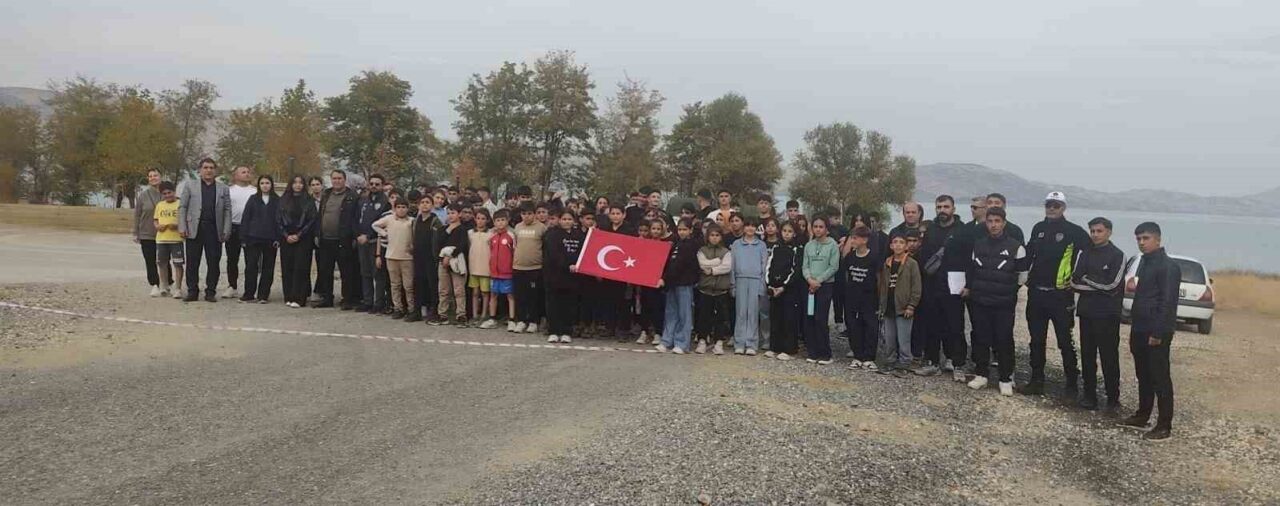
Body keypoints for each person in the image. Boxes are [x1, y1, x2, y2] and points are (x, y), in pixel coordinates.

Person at [1021, 191, 1091, 395]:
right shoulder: (1038, 228)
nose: (1052, 208)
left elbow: (1089, 255)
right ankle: (1036, 380)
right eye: (1049, 205)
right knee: (1036, 340)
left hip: (1061, 296)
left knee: (1064, 340)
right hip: (1036, 295)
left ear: (1063, 208)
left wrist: (1078, 279)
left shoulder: (1074, 231)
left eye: (1056, 205)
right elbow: (1028, 255)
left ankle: (1071, 384)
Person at [1118, 222, 1180, 441]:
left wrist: (1159, 333)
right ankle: (1143, 415)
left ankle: (1164, 426)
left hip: (1157, 331)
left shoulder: (1168, 266)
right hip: (1140, 327)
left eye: (1146, 238)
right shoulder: (1145, 262)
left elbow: (1168, 302)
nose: (1142, 243)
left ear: (1158, 239)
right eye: (1138, 239)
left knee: (1160, 377)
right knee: (1143, 375)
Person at [964, 207, 1028, 396]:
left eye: (997, 221)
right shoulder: (978, 245)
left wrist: (1007, 290)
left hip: (1004, 303)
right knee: (981, 337)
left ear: (1004, 223)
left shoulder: (1016, 247)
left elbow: (1022, 276)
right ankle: (981, 375)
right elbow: (972, 270)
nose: (993, 225)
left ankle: (1005, 378)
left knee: (1004, 339)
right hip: (980, 300)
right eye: (990, 221)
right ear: (986, 223)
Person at [1071, 217, 1125, 411]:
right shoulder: (1084, 253)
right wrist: (1094, 283)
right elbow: (1074, 281)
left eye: (1099, 231)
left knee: (1109, 357)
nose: (1095, 234)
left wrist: (1088, 280)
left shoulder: (1117, 255)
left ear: (1109, 232)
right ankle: (1089, 395)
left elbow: (1112, 286)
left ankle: (1113, 398)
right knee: (1087, 356)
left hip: (1108, 315)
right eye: (1092, 231)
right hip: (1086, 313)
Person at [915, 195, 967, 380]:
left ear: (953, 208)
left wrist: (968, 284)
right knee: (932, 325)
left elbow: (969, 258)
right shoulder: (931, 230)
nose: (942, 210)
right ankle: (932, 362)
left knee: (955, 327)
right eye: (939, 207)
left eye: (946, 206)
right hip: (932, 284)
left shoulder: (963, 230)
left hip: (954, 285)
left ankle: (958, 363)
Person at [177, 158, 232, 302]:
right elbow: (182, 207)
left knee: (213, 262)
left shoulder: (223, 188)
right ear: (200, 170)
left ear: (215, 170)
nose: (208, 170)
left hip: (214, 230)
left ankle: (210, 292)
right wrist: (182, 226)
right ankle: (192, 291)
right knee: (192, 262)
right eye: (206, 167)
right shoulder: (190, 186)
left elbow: (227, 210)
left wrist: (226, 229)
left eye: (211, 168)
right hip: (194, 229)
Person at [876, 232, 922, 376]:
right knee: (889, 338)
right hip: (888, 306)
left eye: (901, 242)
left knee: (904, 338)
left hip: (904, 308)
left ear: (906, 246)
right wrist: (881, 305)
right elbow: (883, 285)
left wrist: (911, 305)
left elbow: (916, 286)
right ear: (891, 245)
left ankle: (904, 364)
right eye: (895, 242)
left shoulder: (911, 264)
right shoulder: (887, 263)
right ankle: (890, 361)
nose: (898, 245)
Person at [314, 170, 361, 309]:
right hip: (325, 239)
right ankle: (327, 298)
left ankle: (347, 299)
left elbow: (356, 218)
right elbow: (320, 215)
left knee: (346, 271)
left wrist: (354, 236)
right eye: (334, 178)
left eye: (339, 178)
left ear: (344, 180)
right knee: (325, 271)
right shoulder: (326, 194)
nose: (336, 181)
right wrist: (317, 234)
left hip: (343, 239)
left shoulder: (352, 196)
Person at [656, 219, 699, 354]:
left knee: (684, 314)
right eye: (680, 229)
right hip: (672, 283)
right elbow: (669, 262)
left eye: (685, 229)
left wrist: (664, 278)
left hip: (684, 283)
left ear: (690, 230)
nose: (682, 232)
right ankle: (667, 340)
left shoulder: (691, 245)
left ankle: (682, 343)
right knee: (671, 313)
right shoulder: (675, 244)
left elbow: (679, 264)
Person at [801, 216, 839, 365]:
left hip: (825, 286)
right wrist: (809, 279)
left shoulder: (832, 245)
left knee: (820, 318)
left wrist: (819, 281)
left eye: (821, 227)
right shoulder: (809, 245)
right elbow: (805, 265)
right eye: (815, 226)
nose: (817, 229)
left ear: (827, 229)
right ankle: (813, 351)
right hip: (809, 285)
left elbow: (833, 267)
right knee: (809, 317)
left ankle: (825, 353)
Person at [372, 198, 418, 321]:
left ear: (407, 209)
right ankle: (398, 308)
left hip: (407, 258)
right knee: (395, 285)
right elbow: (375, 225)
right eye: (399, 207)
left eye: (404, 207)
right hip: (391, 256)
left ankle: (411, 308)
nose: (401, 209)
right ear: (395, 208)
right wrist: (384, 233)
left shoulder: (412, 221)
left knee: (408, 286)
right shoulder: (389, 219)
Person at [238, 175, 281, 303]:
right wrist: (243, 238)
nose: (265, 185)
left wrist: (278, 238)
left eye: (267, 183)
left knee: (268, 267)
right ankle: (249, 294)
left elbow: (280, 221)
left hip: (270, 239)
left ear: (271, 185)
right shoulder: (253, 199)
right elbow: (246, 218)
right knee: (251, 266)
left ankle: (263, 295)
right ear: (259, 185)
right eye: (262, 183)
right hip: (253, 238)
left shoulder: (277, 200)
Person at [841, 226, 879, 369]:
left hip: (869, 298)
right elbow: (846, 275)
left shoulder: (874, 257)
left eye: (855, 238)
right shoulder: (850, 257)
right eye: (852, 238)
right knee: (853, 326)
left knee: (870, 326)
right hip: (852, 298)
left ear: (864, 240)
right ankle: (857, 356)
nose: (853, 241)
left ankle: (869, 357)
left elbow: (879, 278)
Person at [766, 221, 805, 360]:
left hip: (789, 290)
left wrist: (784, 286)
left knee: (789, 319)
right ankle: (775, 347)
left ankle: (789, 349)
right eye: (784, 231)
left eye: (789, 231)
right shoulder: (776, 247)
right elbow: (769, 266)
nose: (786, 234)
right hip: (774, 289)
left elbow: (796, 270)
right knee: (776, 318)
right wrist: (770, 284)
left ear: (794, 233)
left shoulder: (797, 249)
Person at [545, 210, 585, 343]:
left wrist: (577, 264)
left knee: (569, 304)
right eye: (564, 219)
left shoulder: (579, 235)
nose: (566, 221)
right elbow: (554, 254)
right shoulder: (553, 235)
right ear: (559, 220)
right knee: (554, 303)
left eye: (569, 219)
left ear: (574, 221)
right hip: (555, 275)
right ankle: (553, 330)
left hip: (572, 277)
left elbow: (582, 252)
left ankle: (566, 331)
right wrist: (567, 265)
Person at [731, 218, 768, 355]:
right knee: (741, 312)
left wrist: (762, 285)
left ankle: (752, 343)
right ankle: (739, 342)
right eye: (748, 226)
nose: (750, 229)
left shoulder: (761, 245)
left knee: (753, 313)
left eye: (753, 226)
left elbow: (764, 266)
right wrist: (732, 284)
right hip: (740, 280)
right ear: (744, 227)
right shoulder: (736, 244)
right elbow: (732, 266)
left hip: (755, 280)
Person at [278, 176, 316, 309]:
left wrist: (299, 235)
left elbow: (311, 220)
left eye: (300, 183)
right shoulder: (283, 200)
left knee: (301, 267)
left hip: (303, 239)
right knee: (287, 267)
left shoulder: (309, 200)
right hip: (286, 238)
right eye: (295, 182)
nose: (298, 185)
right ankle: (288, 296)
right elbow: (278, 220)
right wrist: (286, 235)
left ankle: (300, 298)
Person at [696, 226, 733, 355]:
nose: (714, 238)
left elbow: (727, 267)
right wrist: (718, 261)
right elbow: (702, 263)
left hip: (721, 290)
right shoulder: (702, 250)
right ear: (707, 237)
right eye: (712, 235)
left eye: (717, 235)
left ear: (721, 237)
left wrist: (712, 270)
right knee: (704, 317)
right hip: (705, 289)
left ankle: (718, 342)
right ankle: (702, 340)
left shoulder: (726, 251)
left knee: (720, 318)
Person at [599, 205, 635, 340]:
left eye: (618, 213)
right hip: (607, 269)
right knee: (608, 300)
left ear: (624, 215)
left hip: (623, 271)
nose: (615, 216)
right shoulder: (604, 229)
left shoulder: (630, 230)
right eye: (612, 213)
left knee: (623, 302)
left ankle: (623, 329)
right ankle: (610, 327)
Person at [511, 202, 547, 334]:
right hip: (518, 267)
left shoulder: (542, 228)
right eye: (524, 214)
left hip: (535, 268)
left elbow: (544, 246)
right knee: (520, 296)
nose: (526, 216)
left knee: (533, 296)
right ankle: (521, 320)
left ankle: (533, 321)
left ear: (534, 214)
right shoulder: (517, 227)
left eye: (529, 214)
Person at [356, 174, 390, 313]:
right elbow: (356, 218)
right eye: (372, 184)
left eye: (377, 184)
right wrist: (358, 235)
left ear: (382, 185)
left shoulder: (385, 203)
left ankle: (379, 303)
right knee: (365, 272)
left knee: (378, 273)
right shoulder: (363, 201)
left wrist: (368, 235)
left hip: (376, 242)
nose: (374, 186)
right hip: (361, 241)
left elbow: (381, 224)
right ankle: (367, 301)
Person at [432, 204, 469, 326]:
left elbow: (462, 245)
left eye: (453, 213)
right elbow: (438, 243)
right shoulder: (443, 229)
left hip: (457, 261)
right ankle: (442, 314)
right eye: (448, 213)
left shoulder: (462, 229)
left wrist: (451, 255)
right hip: (443, 262)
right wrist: (442, 258)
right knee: (443, 289)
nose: (450, 215)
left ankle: (461, 315)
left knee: (459, 290)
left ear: (459, 214)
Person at [223, 166, 256, 299]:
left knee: (251, 260)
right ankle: (232, 286)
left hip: (250, 229)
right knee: (232, 259)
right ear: (235, 175)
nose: (246, 174)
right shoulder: (228, 191)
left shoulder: (255, 191)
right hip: (233, 227)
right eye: (243, 172)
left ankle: (250, 289)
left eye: (248, 172)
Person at [133, 168, 166, 296]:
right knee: (150, 259)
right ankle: (154, 284)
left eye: (155, 175)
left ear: (160, 176)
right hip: (147, 233)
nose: (153, 178)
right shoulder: (143, 195)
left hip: (165, 233)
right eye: (150, 176)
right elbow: (137, 214)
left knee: (164, 259)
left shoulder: (167, 192)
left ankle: (167, 282)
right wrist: (136, 232)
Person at [636, 219, 668, 345]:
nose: (655, 231)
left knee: (658, 308)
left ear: (662, 230)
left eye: (658, 229)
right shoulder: (644, 243)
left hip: (658, 282)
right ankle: (644, 331)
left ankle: (658, 333)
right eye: (653, 228)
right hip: (645, 280)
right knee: (645, 307)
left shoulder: (666, 244)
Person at [152, 181, 184, 298]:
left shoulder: (180, 204)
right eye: (164, 194)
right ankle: (164, 286)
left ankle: (178, 288)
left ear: (174, 192)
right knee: (162, 263)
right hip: (161, 239)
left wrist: (177, 226)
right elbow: (155, 219)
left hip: (176, 240)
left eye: (169, 193)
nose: (167, 195)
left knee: (178, 264)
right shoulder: (160, 205)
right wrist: (157, 226)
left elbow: (185, 220)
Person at [413, 193, 442, 321]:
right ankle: (417, 311)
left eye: (427, 202)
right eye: (422, 202)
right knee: (418, 284)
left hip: (431, 258)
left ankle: (434, 310)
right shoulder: (415, 220)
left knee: (432, 285)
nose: (425, 204)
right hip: (418, 257)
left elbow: (438, 240)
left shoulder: (436, 221)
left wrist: (436, 256)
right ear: (419, 205)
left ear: (432, 205)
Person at [489, 209, 518, 330]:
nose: (500, 223)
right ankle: (492, 318)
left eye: (502, 220)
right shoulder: (492, 236)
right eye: (497, 220)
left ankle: (511, 319)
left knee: (510, 296)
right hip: (494, 272)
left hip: (507, 272)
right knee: (493, 294)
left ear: (507, 221)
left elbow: (515, 251)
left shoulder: (511, 236)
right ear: (494, 222)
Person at [468, 209, 495, 327]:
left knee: (485, 293)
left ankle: (484, 314)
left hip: (486, 268)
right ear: (475, 219)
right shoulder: (470, 233)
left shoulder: (491, 234)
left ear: (488, 220)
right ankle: (474, 315)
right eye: (478, 218)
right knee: (474, 292)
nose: (480, 221)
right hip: (473, 267)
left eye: (483, 218)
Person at [306, 176, 326, 305]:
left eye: (317, 184)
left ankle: (319, 290)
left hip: (323, 235)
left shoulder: (327, 199)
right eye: (313, 185)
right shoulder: (307, 200)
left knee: (322, 264)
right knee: (305, 263)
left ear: (322, 185)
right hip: (308, 234)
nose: (315, 187)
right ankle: (305, 290)